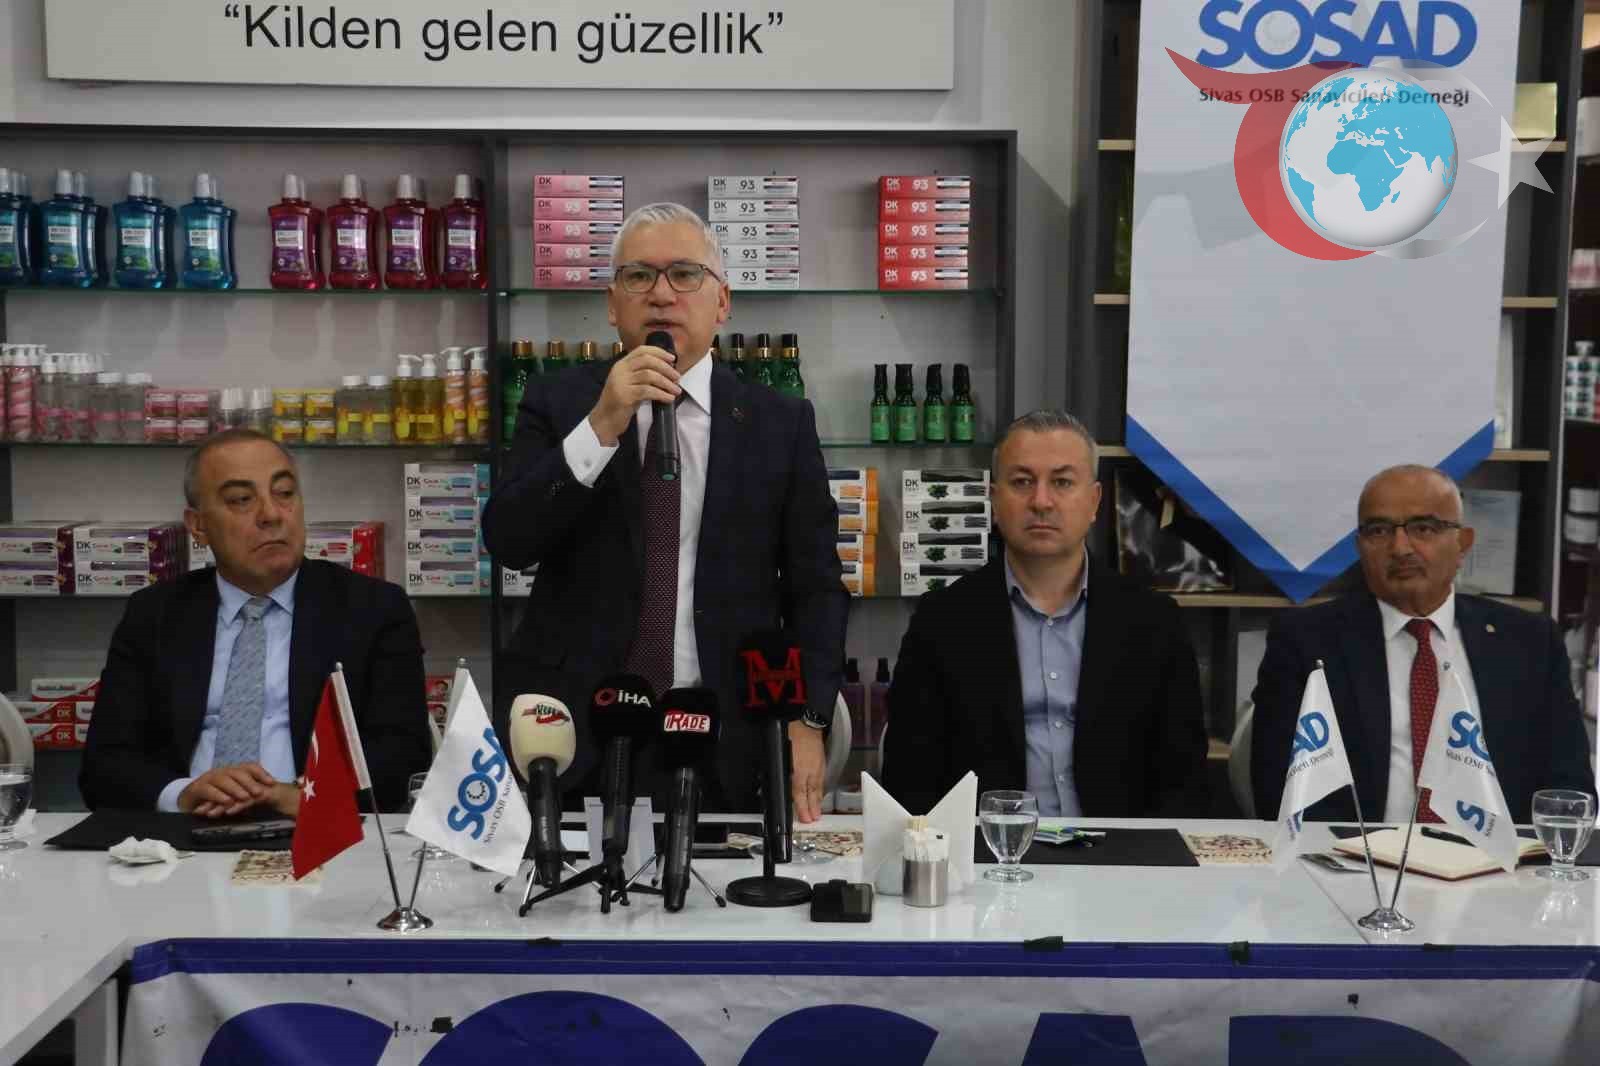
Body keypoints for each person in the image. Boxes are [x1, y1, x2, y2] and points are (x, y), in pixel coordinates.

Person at [483, 202, 847, 821]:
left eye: (684, 274)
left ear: (722, 301)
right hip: (578, 727)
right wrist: (602, 425)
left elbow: (816, 587)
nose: (660, 294)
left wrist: (807, 719)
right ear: (612, 303)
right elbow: (510, 539)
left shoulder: (778, 423)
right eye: (638, 276)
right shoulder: (560, 401)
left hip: (722, 729)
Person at [81, 429, 431, 816]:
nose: (271, 515)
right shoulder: (154, 614)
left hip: (315, 829)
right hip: (180, 834)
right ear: (198, 526)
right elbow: (104, 765)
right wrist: (182, 794)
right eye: (241, 500)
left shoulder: (374, 609)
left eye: (284, 493)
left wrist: (299, 796)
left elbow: (403, 757)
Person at [883, 410, 1208, 817]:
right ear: (994, 499)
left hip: (1119, 847)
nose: (1041, 501)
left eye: (1062, 482)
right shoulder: (941, 622)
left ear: (1094, 501)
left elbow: (1183, 778)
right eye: (1022, 482)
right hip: (988, 847)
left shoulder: (1155, 622)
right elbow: (910, 778)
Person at [1251, 464, 1592, 824]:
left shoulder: (1530, 642)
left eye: (1423, 528)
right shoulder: (1306, 641)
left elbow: (1569, 787)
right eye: (1379, 530)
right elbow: (1279, 789)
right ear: (1359, 547)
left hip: (1495, 854)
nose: (1400, 548)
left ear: (1463, 543)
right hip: (1356, 855)